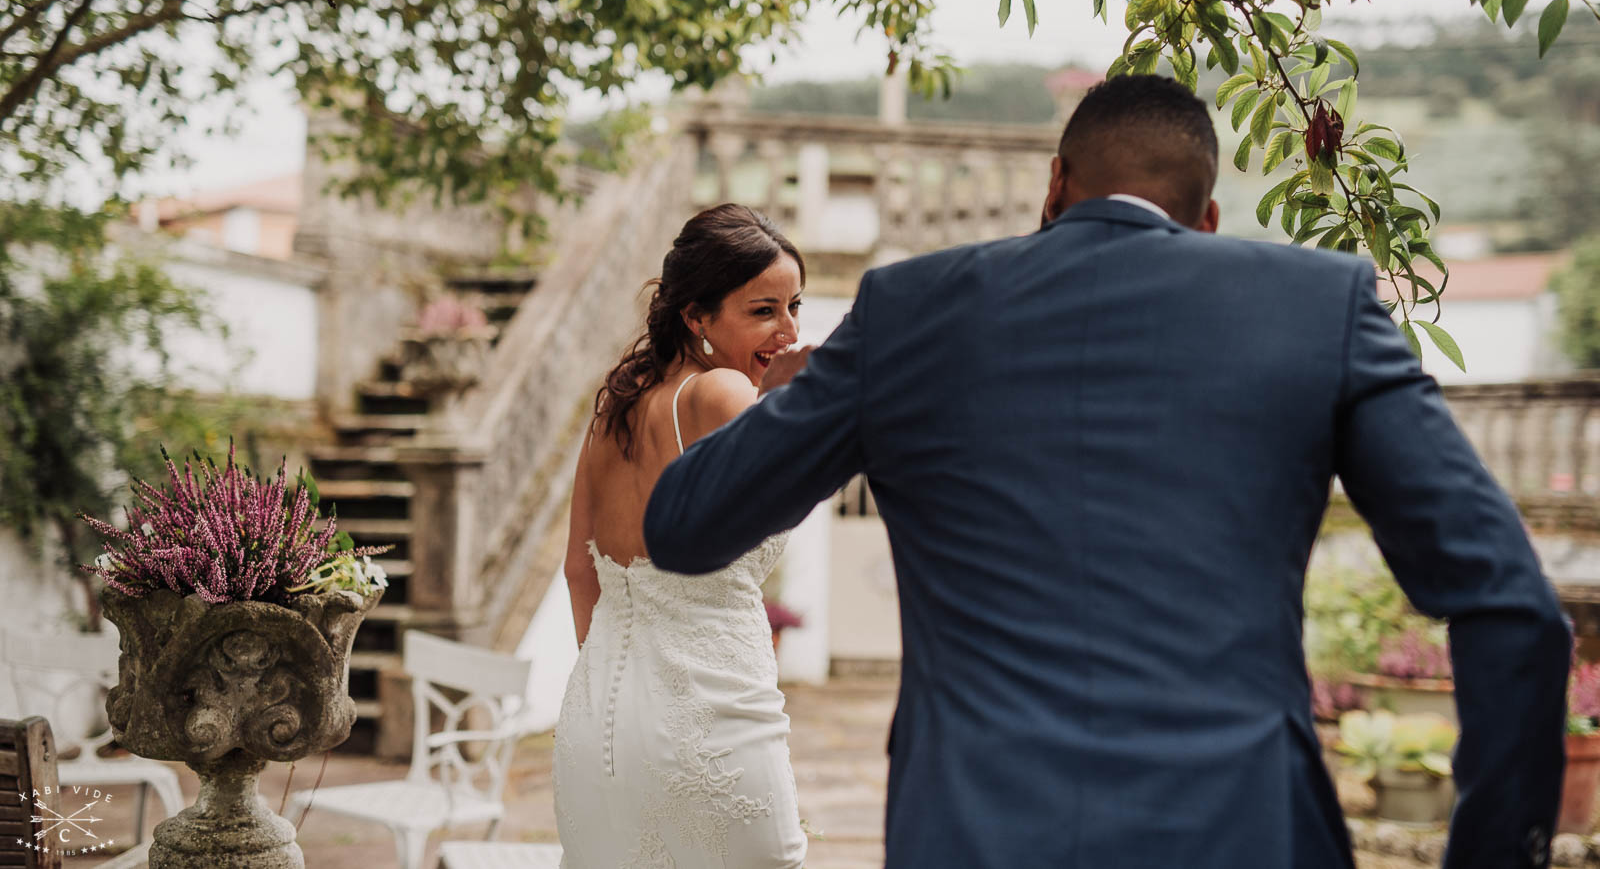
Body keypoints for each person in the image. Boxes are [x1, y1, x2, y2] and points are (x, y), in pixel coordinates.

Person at [644, 75, 1571, 868]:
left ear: (1055, 185)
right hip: (1242, 832)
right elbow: (1514, 610)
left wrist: (818, 392)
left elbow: (684, 528)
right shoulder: (1319, 305)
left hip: (977, 835)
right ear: (1206, 220)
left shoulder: (907, 312)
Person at [554, 203, 811, 868]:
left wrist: (618, 684)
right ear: (697, 317)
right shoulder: (724, 393)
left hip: (598, 723)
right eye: (763, 310)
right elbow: (784, 500)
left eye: (794, 306)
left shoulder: (615, 408)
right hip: (712, 715)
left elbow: (580, 573)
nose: (787, 329)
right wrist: (796, 412)